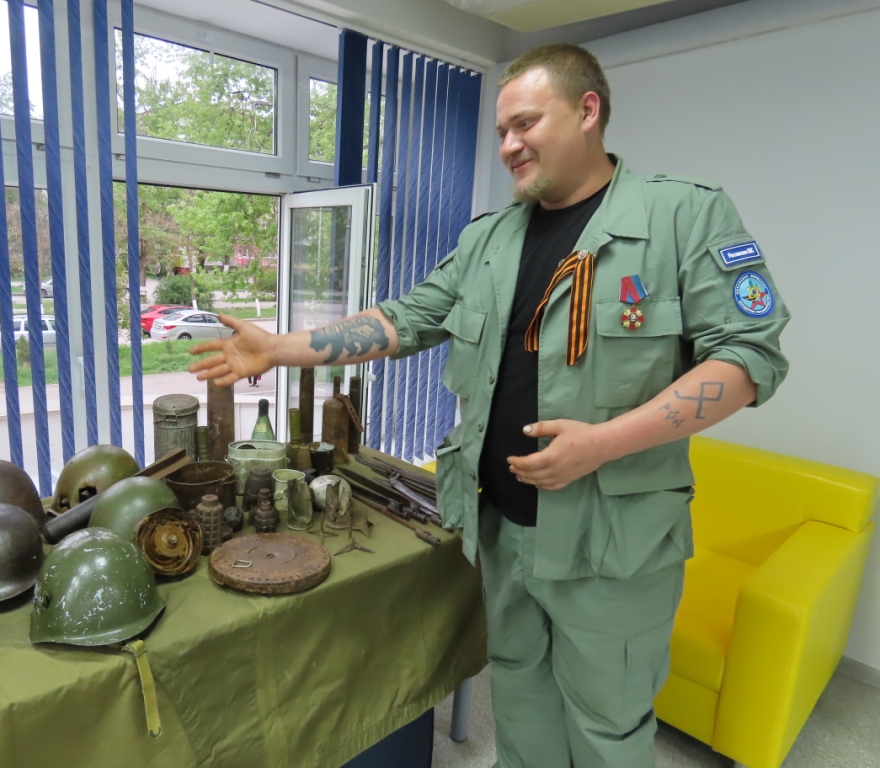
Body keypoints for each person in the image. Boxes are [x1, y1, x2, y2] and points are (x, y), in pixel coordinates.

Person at [190, 43, 789, 768]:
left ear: (588, 110)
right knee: (522, 700)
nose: (508, 145)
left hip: (613, 543)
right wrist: (280, 348)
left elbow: (747, 360)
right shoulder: (490, 238)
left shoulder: (681, 216)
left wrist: (602, 443)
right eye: (502, 131)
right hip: (502, 529)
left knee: (607, 729)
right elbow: (402, 321)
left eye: (525, 123)